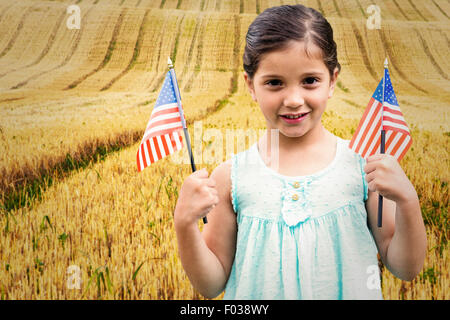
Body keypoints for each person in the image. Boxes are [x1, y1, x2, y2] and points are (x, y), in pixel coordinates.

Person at [173, 4, 427, 299]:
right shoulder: (230, 177)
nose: (294, 99)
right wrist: (184, 224)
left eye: (310, 81)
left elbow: (405, 267)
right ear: (250, 85)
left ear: (332, 80)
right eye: (274, 83)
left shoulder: (365, 167)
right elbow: (211, 284)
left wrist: (408, 200)